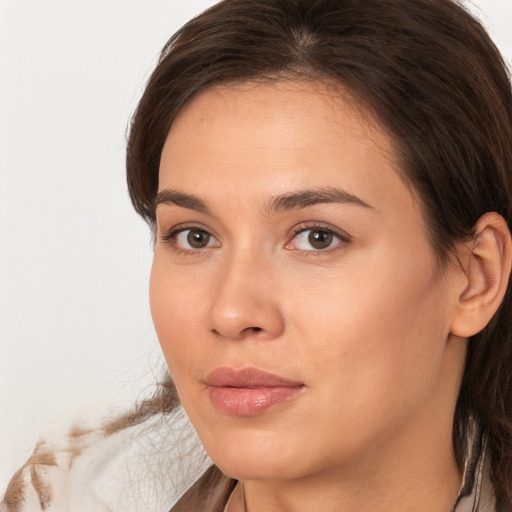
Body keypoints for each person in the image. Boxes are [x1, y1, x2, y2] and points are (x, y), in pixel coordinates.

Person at [2, 0, 512, 511]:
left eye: (317, 237)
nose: (231, 312)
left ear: (475, 277)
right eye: (194, 236)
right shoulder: (64, 498)